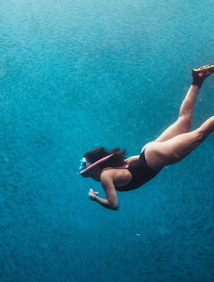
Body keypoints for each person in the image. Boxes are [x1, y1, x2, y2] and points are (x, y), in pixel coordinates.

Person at [79, 65, 214, 210]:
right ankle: (198, 78)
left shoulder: (105, 177)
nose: (81, 167)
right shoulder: (113, 167)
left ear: (95, 166)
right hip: (148, 151)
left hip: (153, 157)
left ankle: (198, 79)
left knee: (200, 134)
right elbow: (134, 161)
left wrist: (95, 198)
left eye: (83, 164)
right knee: (184, 120)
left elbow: (114, 205)